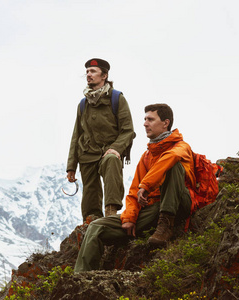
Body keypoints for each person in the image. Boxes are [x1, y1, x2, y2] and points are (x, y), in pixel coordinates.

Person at [74, 103, 196, 273]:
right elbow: (133, 192)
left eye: (150, 119)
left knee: (173, 166)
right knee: (96, 226)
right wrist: (130, 217)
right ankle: (82, 277)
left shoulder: (181, 147)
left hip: (178, 203)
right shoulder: (147, 156)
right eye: (145, 119)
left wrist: (146, 186)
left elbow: (171, 158)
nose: (145, 123)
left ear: (165, 123)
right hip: (151, 210)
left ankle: (166, 225)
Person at [66, 58, 135, 222]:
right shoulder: (83, 104)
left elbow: (128, 130)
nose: (88, 75)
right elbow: (76, 135)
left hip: (109, 150)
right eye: (87, 72)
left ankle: (111, 212)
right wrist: (71, 167)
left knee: (111, 161)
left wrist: (116, 148)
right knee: (90, 190)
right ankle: (91, 221)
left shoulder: (117, 98)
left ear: (104, 75)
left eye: (93, 72)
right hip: (87, 153)